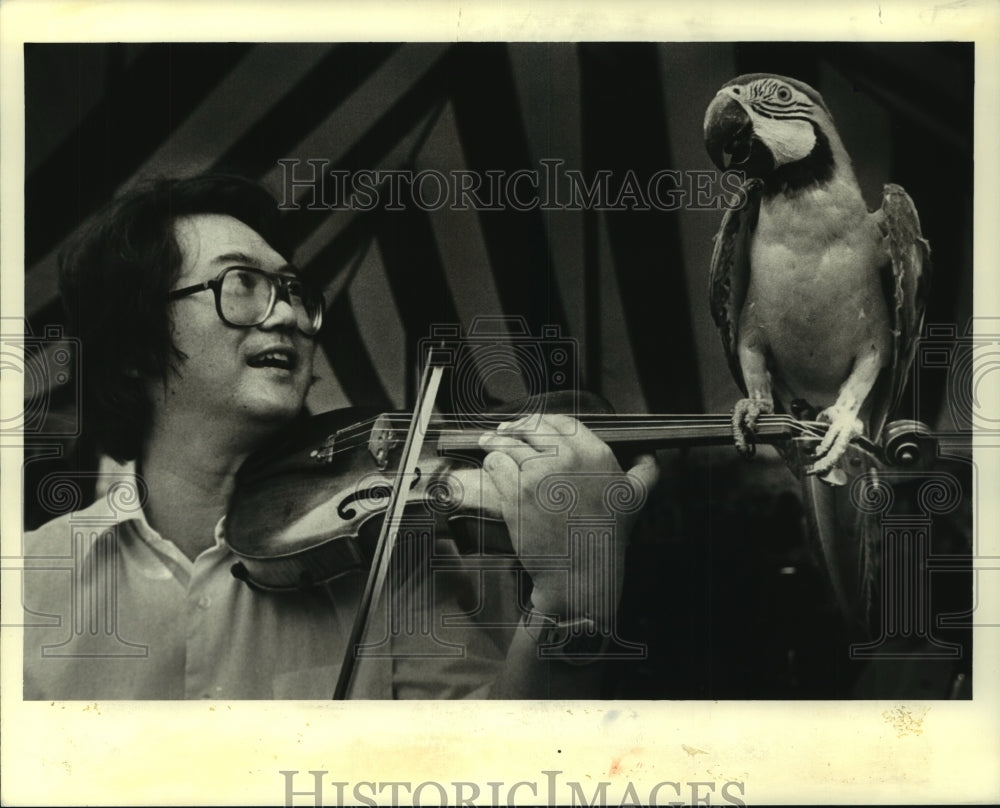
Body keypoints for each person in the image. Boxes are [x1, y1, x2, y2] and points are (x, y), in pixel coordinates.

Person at [22, 174, 658, 700]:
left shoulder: (391, 559)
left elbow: (497, 771)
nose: (291, 316)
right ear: (135, 345)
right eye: (241, 284)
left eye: (295, 291)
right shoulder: (27, 584)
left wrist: (575, 593)